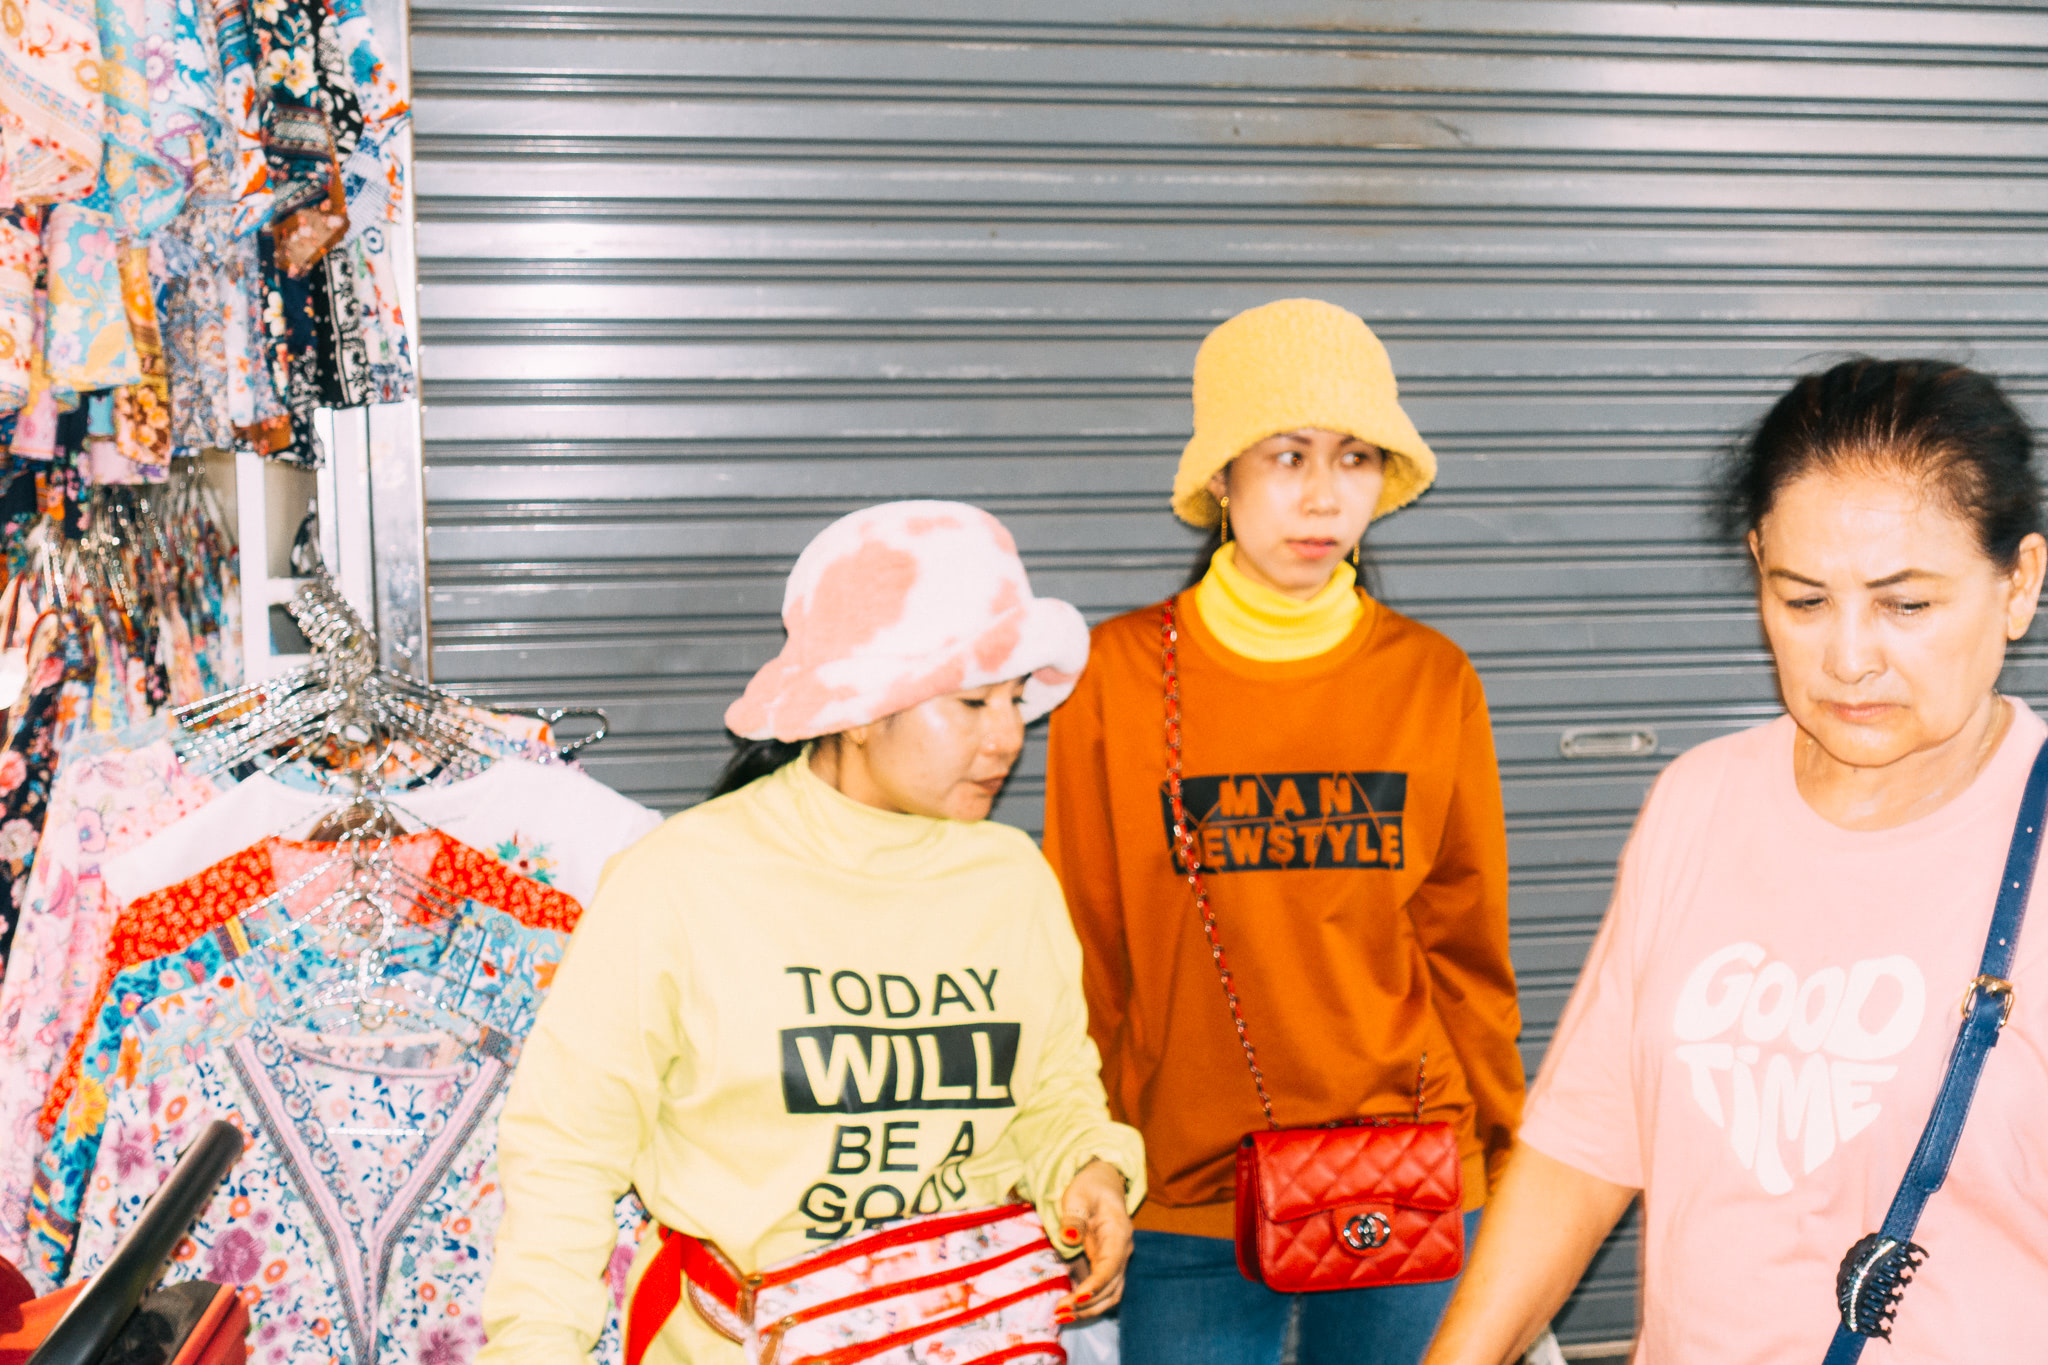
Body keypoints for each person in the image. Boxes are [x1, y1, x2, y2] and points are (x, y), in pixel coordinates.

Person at [1422, 358, 2048, 1365]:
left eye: (1905, 606)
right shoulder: (1700, 801)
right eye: (1803, 600)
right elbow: (1583, 1145)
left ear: (2017, 583)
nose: (1847, 657)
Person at [478, 501, 1146, 1364]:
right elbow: (566, 1150)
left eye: (1017, 699)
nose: (1008, 736)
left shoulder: (1011, 878)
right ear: (860, 709)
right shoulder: (681, 880)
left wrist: (1085, 1170)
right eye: (973, 701)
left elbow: (1053, 1089)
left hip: (976, 1336)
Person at [1042, 298, 1524, 1365]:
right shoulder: (1114, 680)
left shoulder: (1430, 678)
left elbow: (1466, 949)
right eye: (1287, 455)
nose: (1322, 494)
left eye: (1355, 458)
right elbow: (1083, 952)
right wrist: (1087, 1158)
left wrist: (1504, 1160)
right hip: (1184, 1186)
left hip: (1409, 1166)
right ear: (1222, 477)